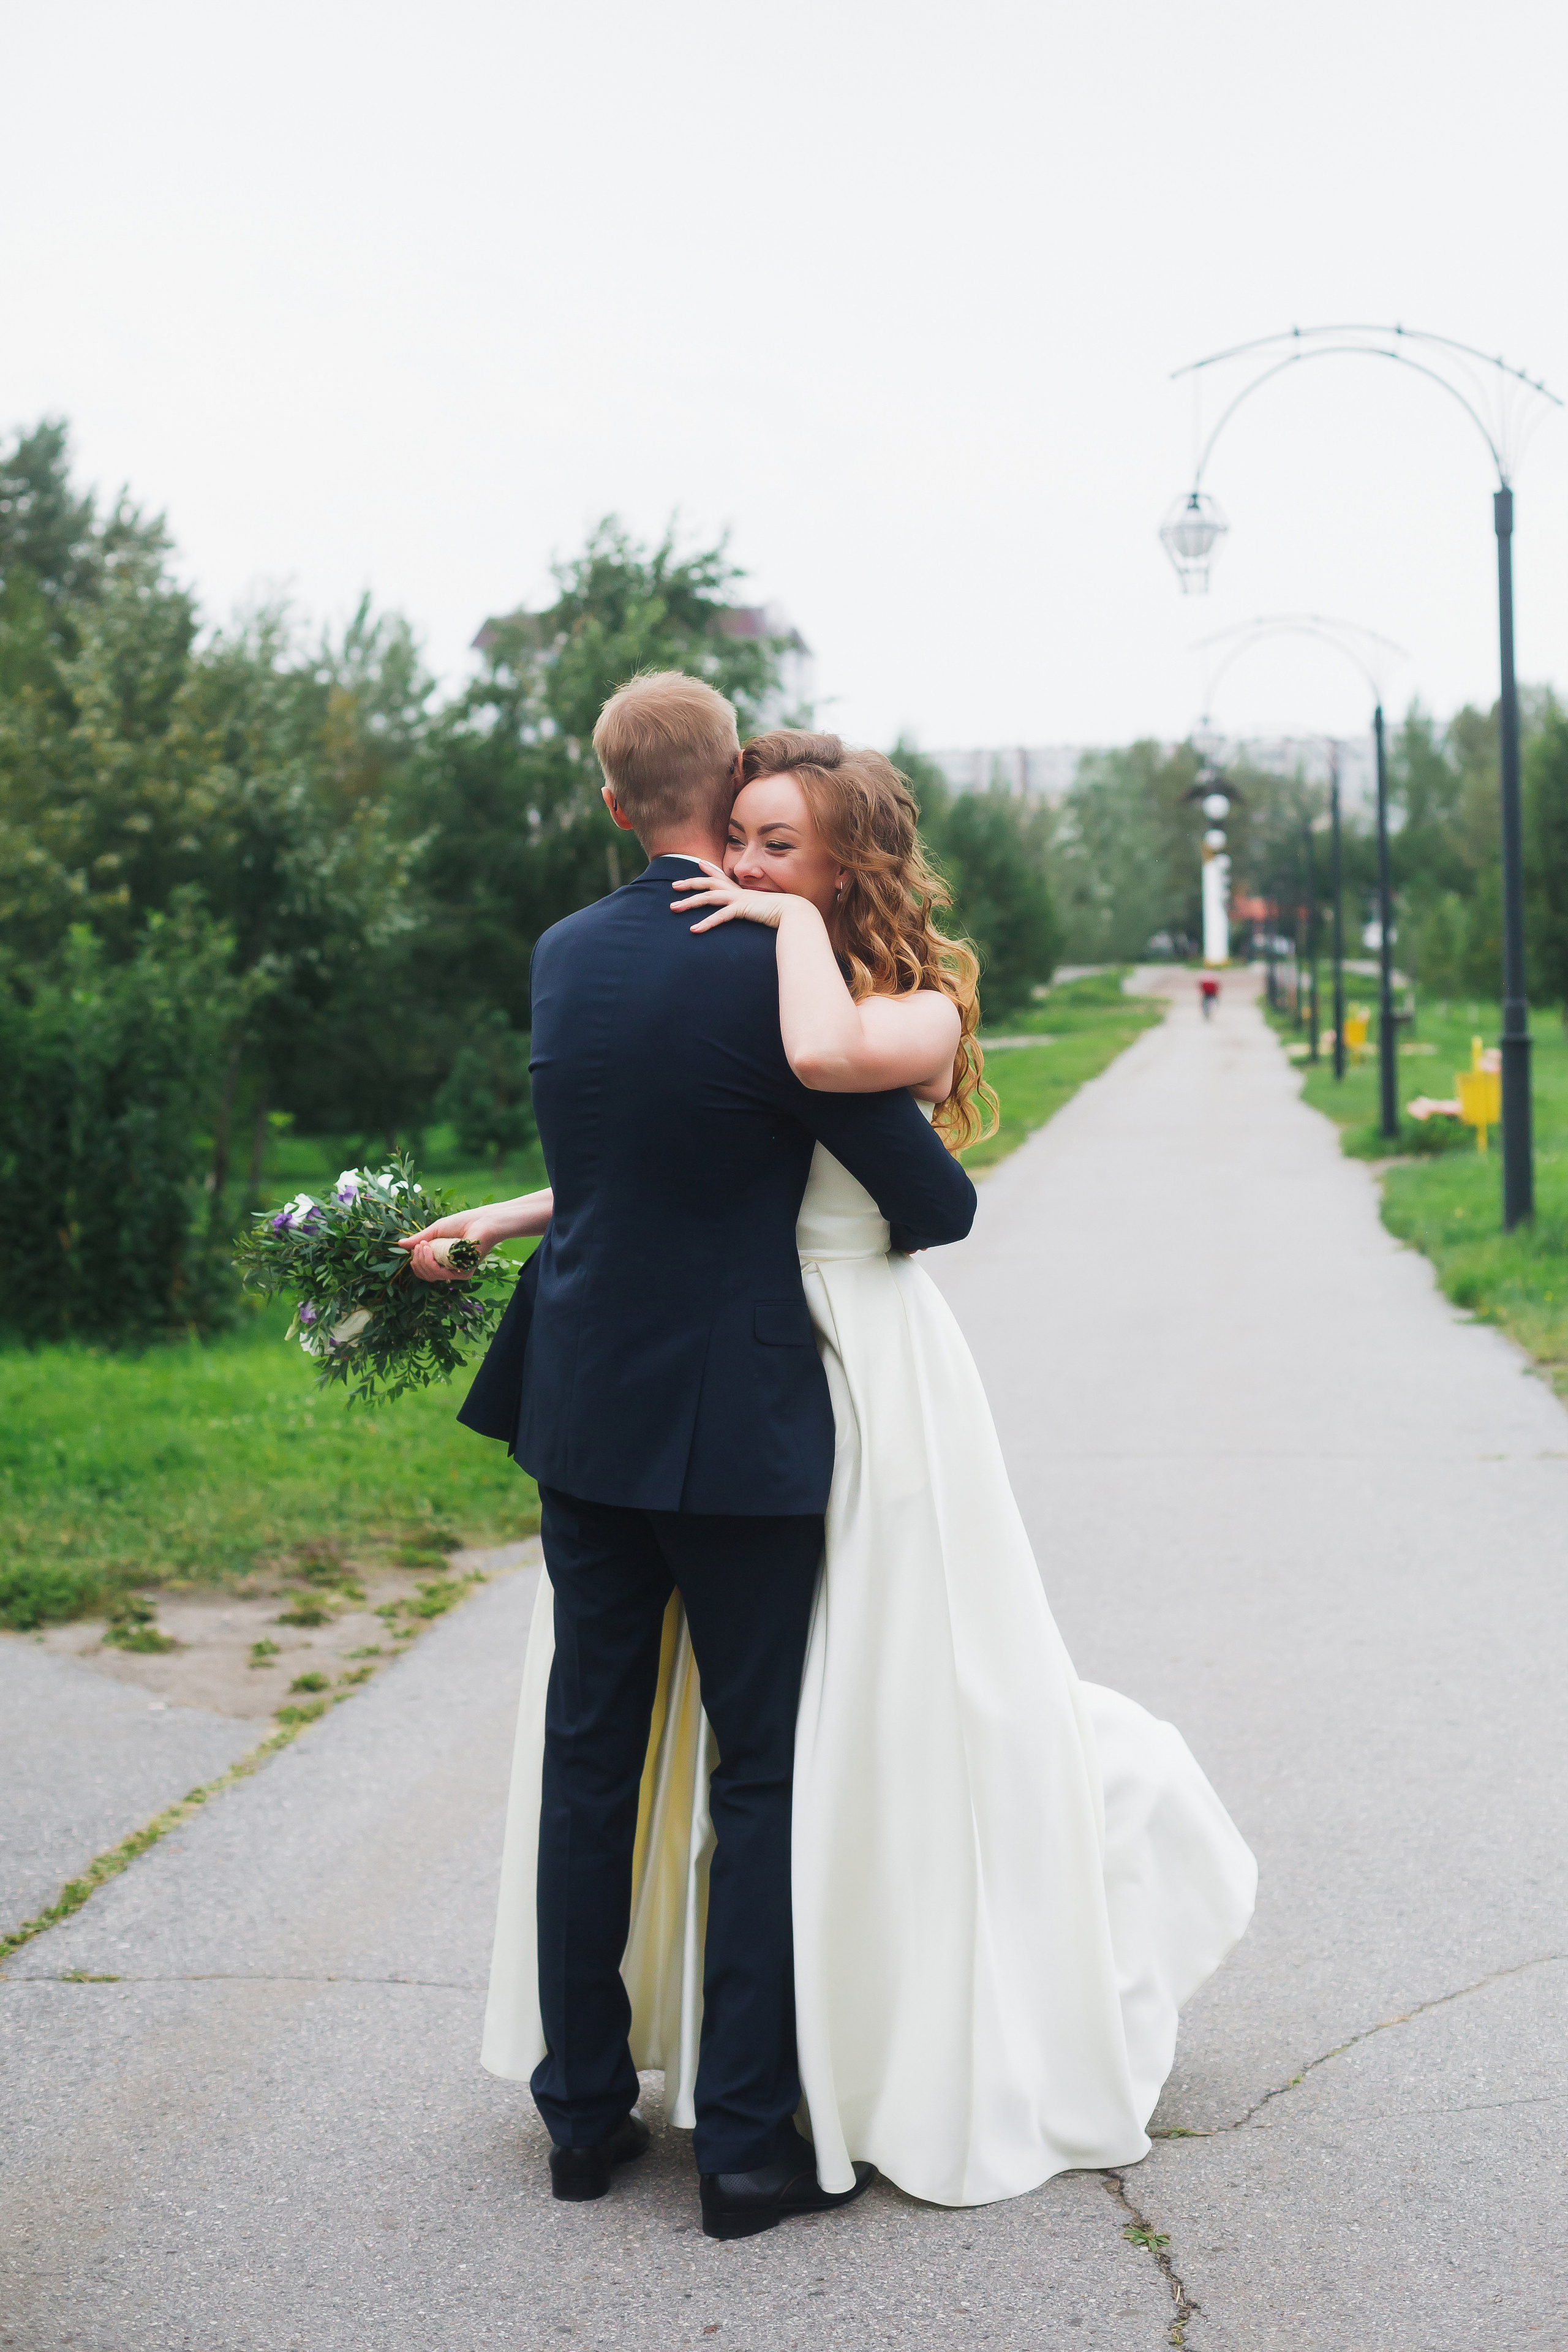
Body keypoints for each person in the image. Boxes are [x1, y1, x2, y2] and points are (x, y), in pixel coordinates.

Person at [401, 679, 976, 2241]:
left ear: (606, 804)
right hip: (742, 1426)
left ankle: (580, 2121)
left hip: (584, 1408)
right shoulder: (778, 964)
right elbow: (926, 1204)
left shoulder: (563, 957)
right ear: (727, 791)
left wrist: (499, 1215)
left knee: (591, 1755)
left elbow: (609, 1176)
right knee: (760, 1771)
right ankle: (738, 2149)